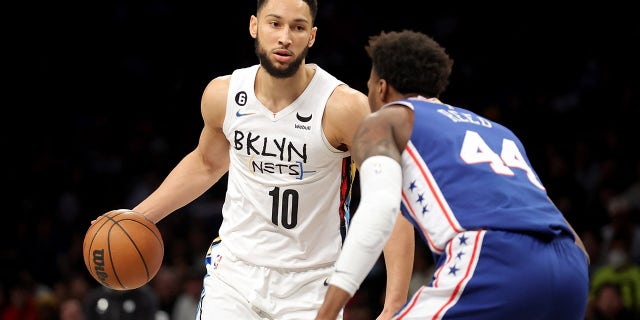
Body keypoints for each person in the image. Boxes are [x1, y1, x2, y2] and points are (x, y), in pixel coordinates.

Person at [95, 1, 414, 319]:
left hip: (313, 283)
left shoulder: (345, 107)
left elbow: (390, 199)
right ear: (254, 26)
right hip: (235, 274)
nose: (285, 37)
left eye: (298, 27)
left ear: (312, 36)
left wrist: (394, 303)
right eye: (275, 24)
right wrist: (136, 217)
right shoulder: (224, 94)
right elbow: (207, 163)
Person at [315, 30, 591, 319]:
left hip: (494, 258)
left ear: (381, 88)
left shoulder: (386, 120)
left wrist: (329, 312)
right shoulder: (497, 131)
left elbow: (378, 210)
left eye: (369, 84)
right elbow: (570, 236)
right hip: (570, 267)